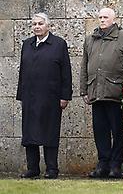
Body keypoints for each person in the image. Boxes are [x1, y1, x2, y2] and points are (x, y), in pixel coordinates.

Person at [16, 13, 72, 179]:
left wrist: (65, 96)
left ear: (48, 26)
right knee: (29, 134)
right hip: (30, 97)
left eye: (40, 24)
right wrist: (21, 95)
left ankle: (52, 169)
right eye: (34, 24)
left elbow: (66, 72)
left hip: (51, 98)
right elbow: (23, 71)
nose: (37, 27)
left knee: (50, 133)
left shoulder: (59, 44)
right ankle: (33, 169)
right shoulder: (27, 44)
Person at [80, 7, 123, 179]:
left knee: (117, 131)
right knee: (100, 131)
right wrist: (84, 90)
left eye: (105, 17)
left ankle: (115, 166)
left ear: (113, 19)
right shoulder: (90, 39)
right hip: (96, 92)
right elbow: (84, 66)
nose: (102, 20)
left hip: (116, 92)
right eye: (100, 17)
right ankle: (102, 164)